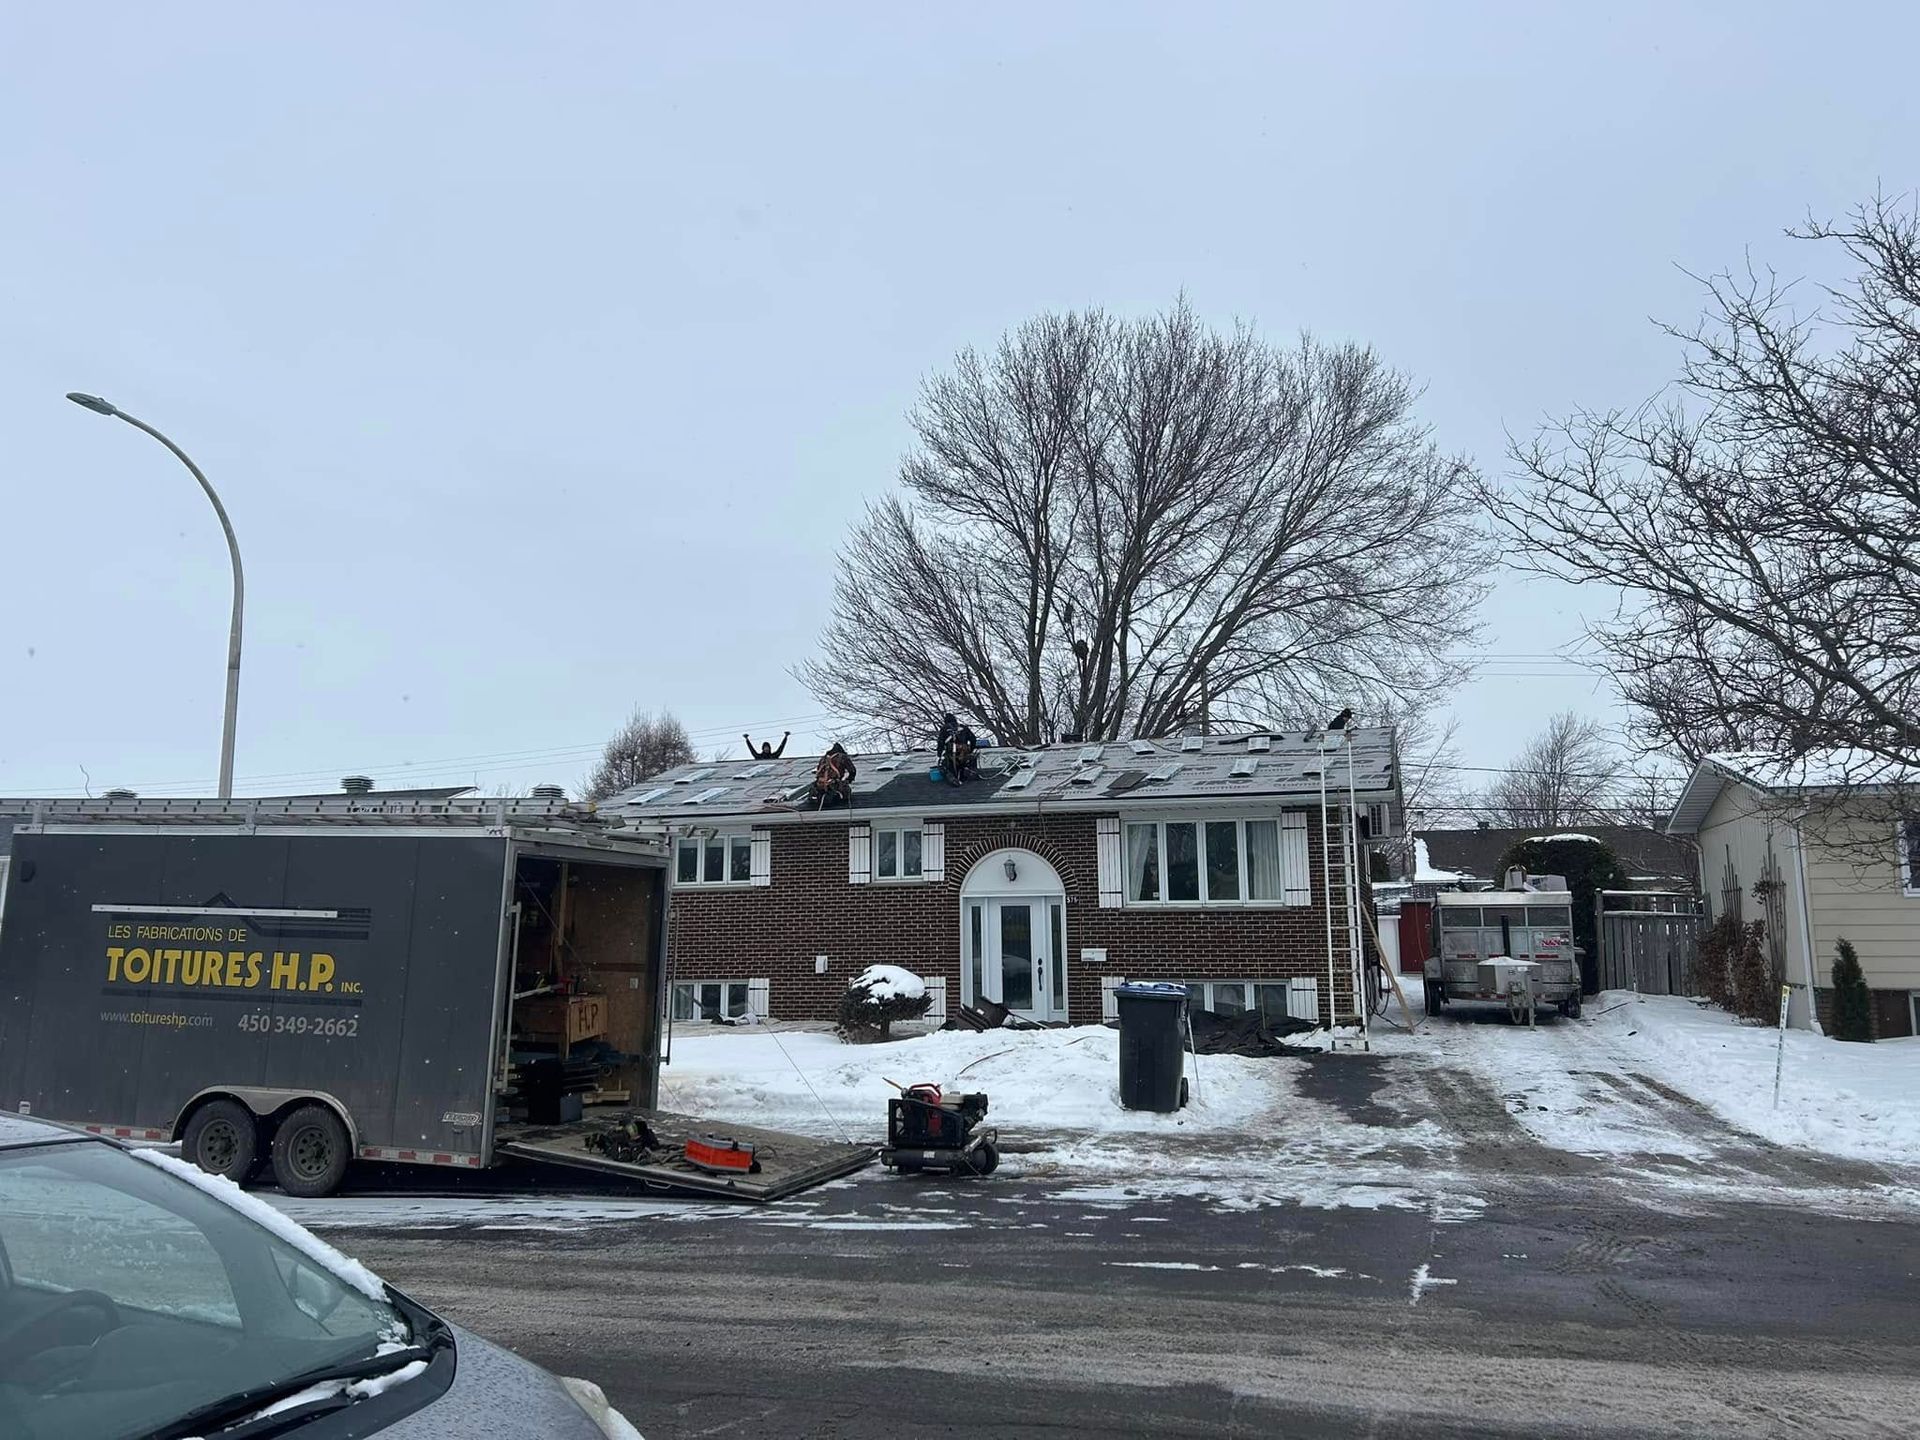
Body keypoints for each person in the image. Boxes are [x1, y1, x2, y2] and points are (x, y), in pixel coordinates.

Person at [811, 743, 857, 809]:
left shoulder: (823, 759)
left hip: (819, 788)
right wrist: (848, 780)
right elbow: (852, 771)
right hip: (834, 785)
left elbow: (818, 772)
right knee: (846, 792)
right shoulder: (842, 756)